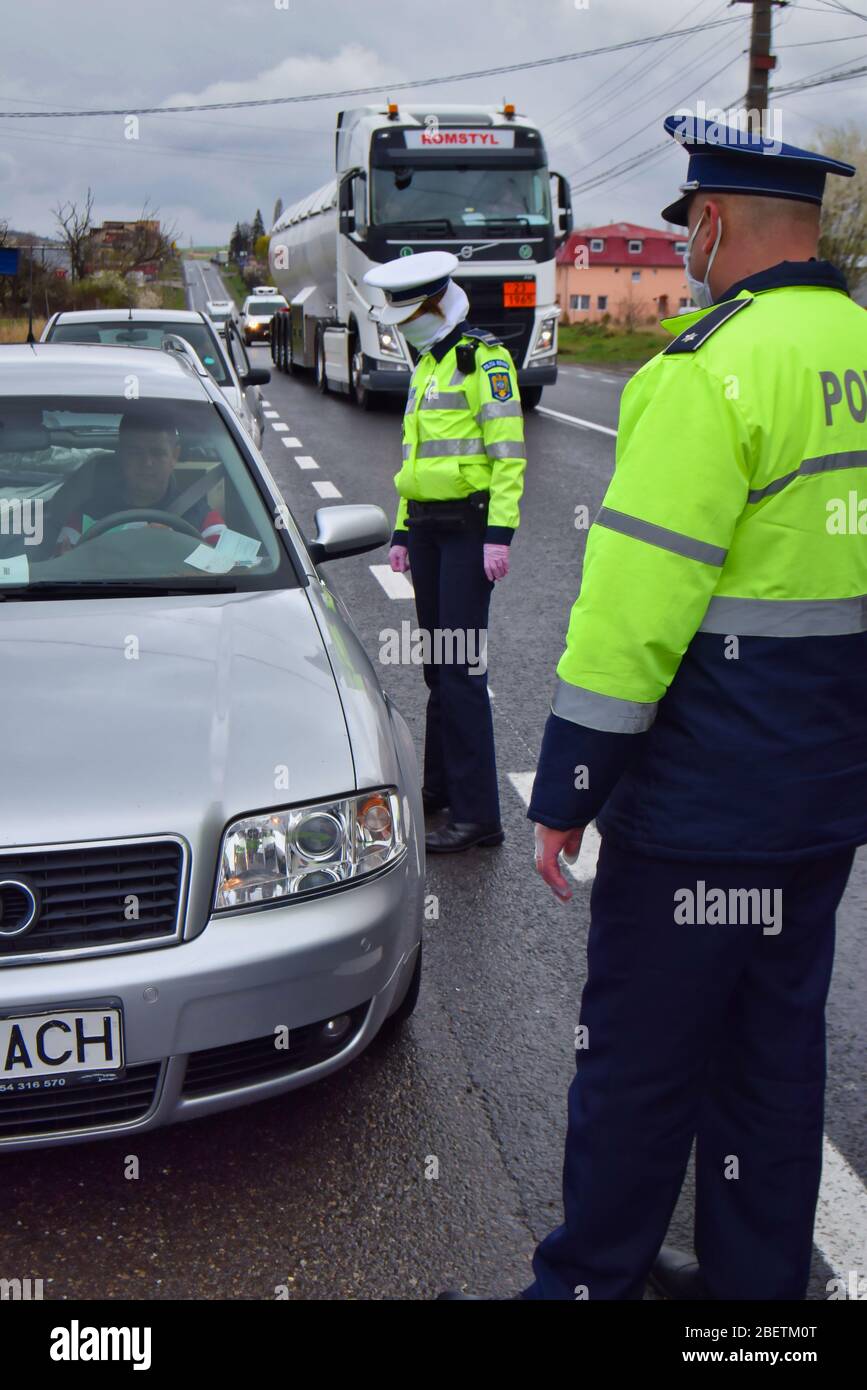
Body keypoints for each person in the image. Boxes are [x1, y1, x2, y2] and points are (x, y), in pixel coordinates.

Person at [441, 117, 866, 1299]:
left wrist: (571, 787)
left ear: (716, 223)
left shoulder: (709, 368)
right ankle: (756, 1300)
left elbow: (633, 614)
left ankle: (587, 1286)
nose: (684, 255)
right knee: (774, 1067)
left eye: (687, 232)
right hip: (822, 807)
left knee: (638, 1068)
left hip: (702, 812)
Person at [364, 251, 527, 853]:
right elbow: (414, 462)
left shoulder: (485, 359)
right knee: (438, 667)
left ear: (436, 304)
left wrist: (499, 535)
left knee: (460, 672)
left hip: (469, 529)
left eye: (407, 315)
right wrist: (404, 531)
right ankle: (440, 790)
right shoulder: (427, 367)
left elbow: (508, 452)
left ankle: (480, 817)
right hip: (430, 528)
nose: (401, 326)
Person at [58, 412, 226, 550]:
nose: (147, 463)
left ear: (174, 456)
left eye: (157, 453)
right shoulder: (86, 516)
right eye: (136, 453)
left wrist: (179, 546)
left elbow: (232, 567)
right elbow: (59, 569)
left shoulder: (202, 517)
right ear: (121, 455)